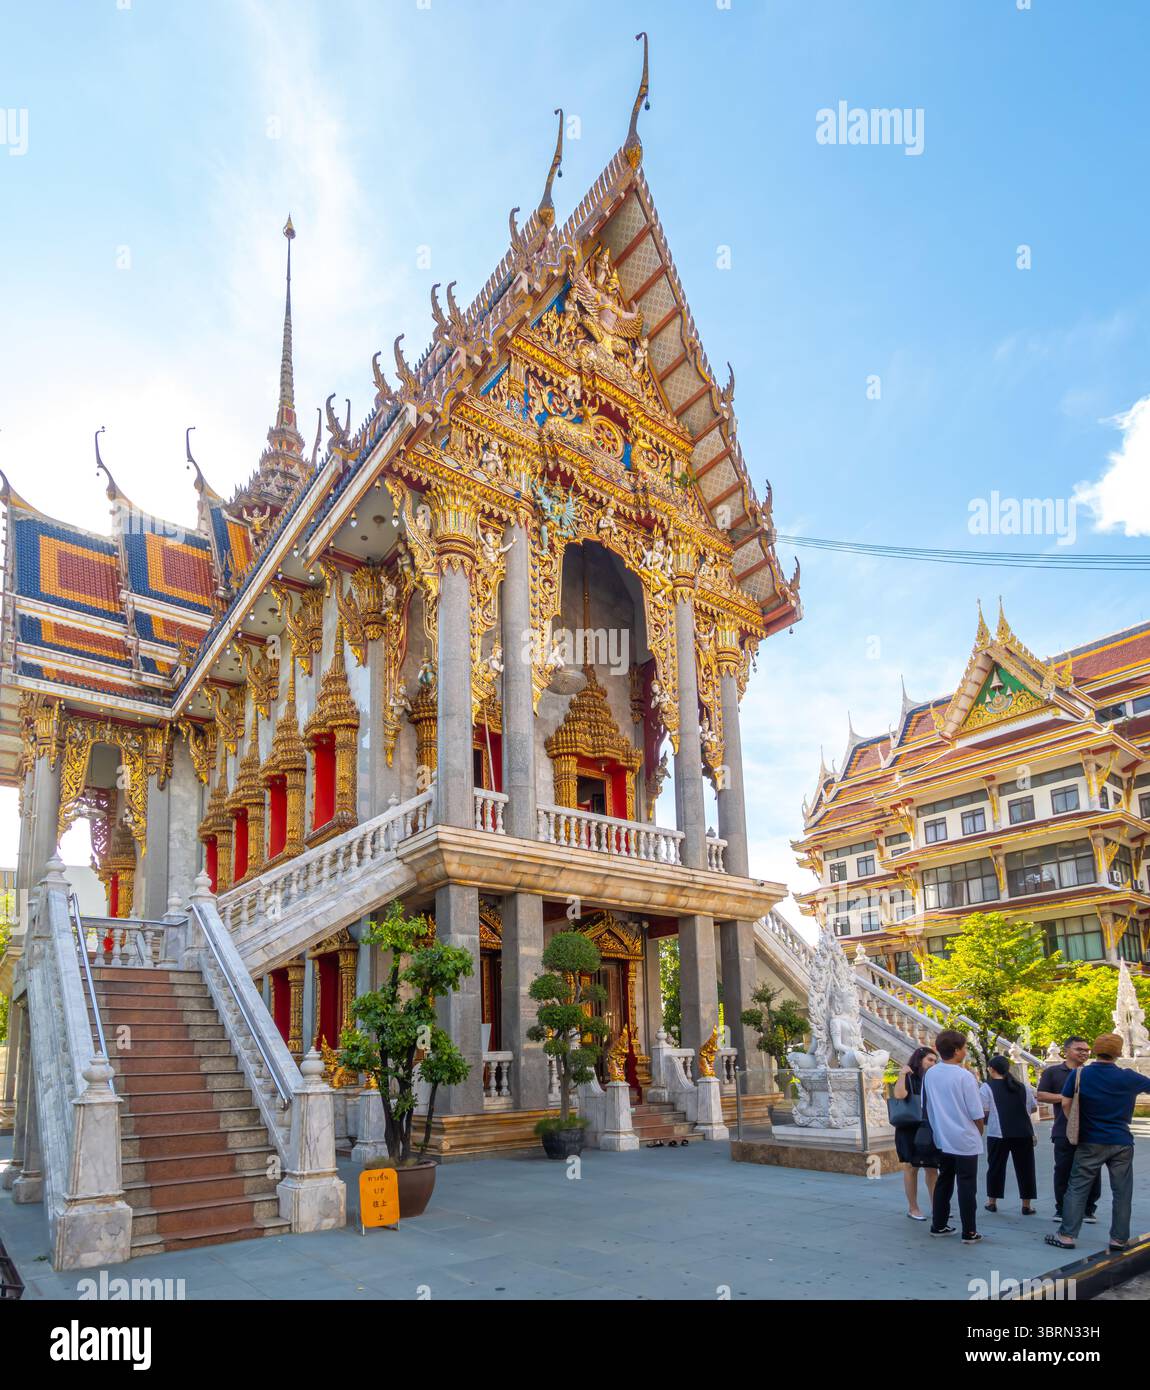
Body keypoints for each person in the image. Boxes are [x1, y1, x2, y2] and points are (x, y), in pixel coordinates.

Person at [1047, 1032, 1150, 1254]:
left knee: (1077, 1188)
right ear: (1119, 1053)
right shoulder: (1129, 1077)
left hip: (1090, 1140)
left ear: (1095, 1050)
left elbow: (1066, 1103)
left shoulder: (1080, 1075)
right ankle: (1119, 1239)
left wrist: (1075, 1124)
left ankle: (1066, 1235)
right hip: (1121, 1140)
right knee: (1122, 1192)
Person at [922, 1029, 986, 1244]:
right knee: (967, 1185)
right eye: (965, 1047)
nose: (966, 1051)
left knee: (944, 1181)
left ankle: (938, 1224)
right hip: (965, 1137)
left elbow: (927, 1105)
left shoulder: (931, 1073)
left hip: (942, 1135)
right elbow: (976, 1111)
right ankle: (969, 1231)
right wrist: (980, 1129)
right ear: (957, 1050)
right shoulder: (963, 1076)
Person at [1036, 1036, 1101, 1225]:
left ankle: (1088, 1209)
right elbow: (1041, 1094)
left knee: (1091, 1170)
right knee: (1063, 1170)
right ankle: (1062, 1208)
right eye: (1079, 1049)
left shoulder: (1092, 1073)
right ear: (1066, 1051)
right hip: (1063, 1129)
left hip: (1090, 1130)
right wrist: (1067, 1097)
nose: (1084, 1053)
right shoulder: (1053, 1072)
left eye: (1087, 1050)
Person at [980, 1055, 1038, 1215]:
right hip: (1024, 1132)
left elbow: (984, 1112)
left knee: (996, 1167)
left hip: (998, 1133)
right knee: (1026, 1169)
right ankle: (1026, 1205)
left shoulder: (987, 1087)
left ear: (991, 1069)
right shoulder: (1023, 1087)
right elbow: (1033, 1108)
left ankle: (992, 1202)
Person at [892, 1046, 941, 1220]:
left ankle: (938, 1208)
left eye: (935, 1061)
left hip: (928, 1128)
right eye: (930, 1059)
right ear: (919, 1059)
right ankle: (913, 1208)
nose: (933, 1063)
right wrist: (902, 1074)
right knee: (911, 1168)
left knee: (932, 1169)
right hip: (909, 1129)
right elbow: (899, 1095)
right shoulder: (909, 1077)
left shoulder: (934, 1079)